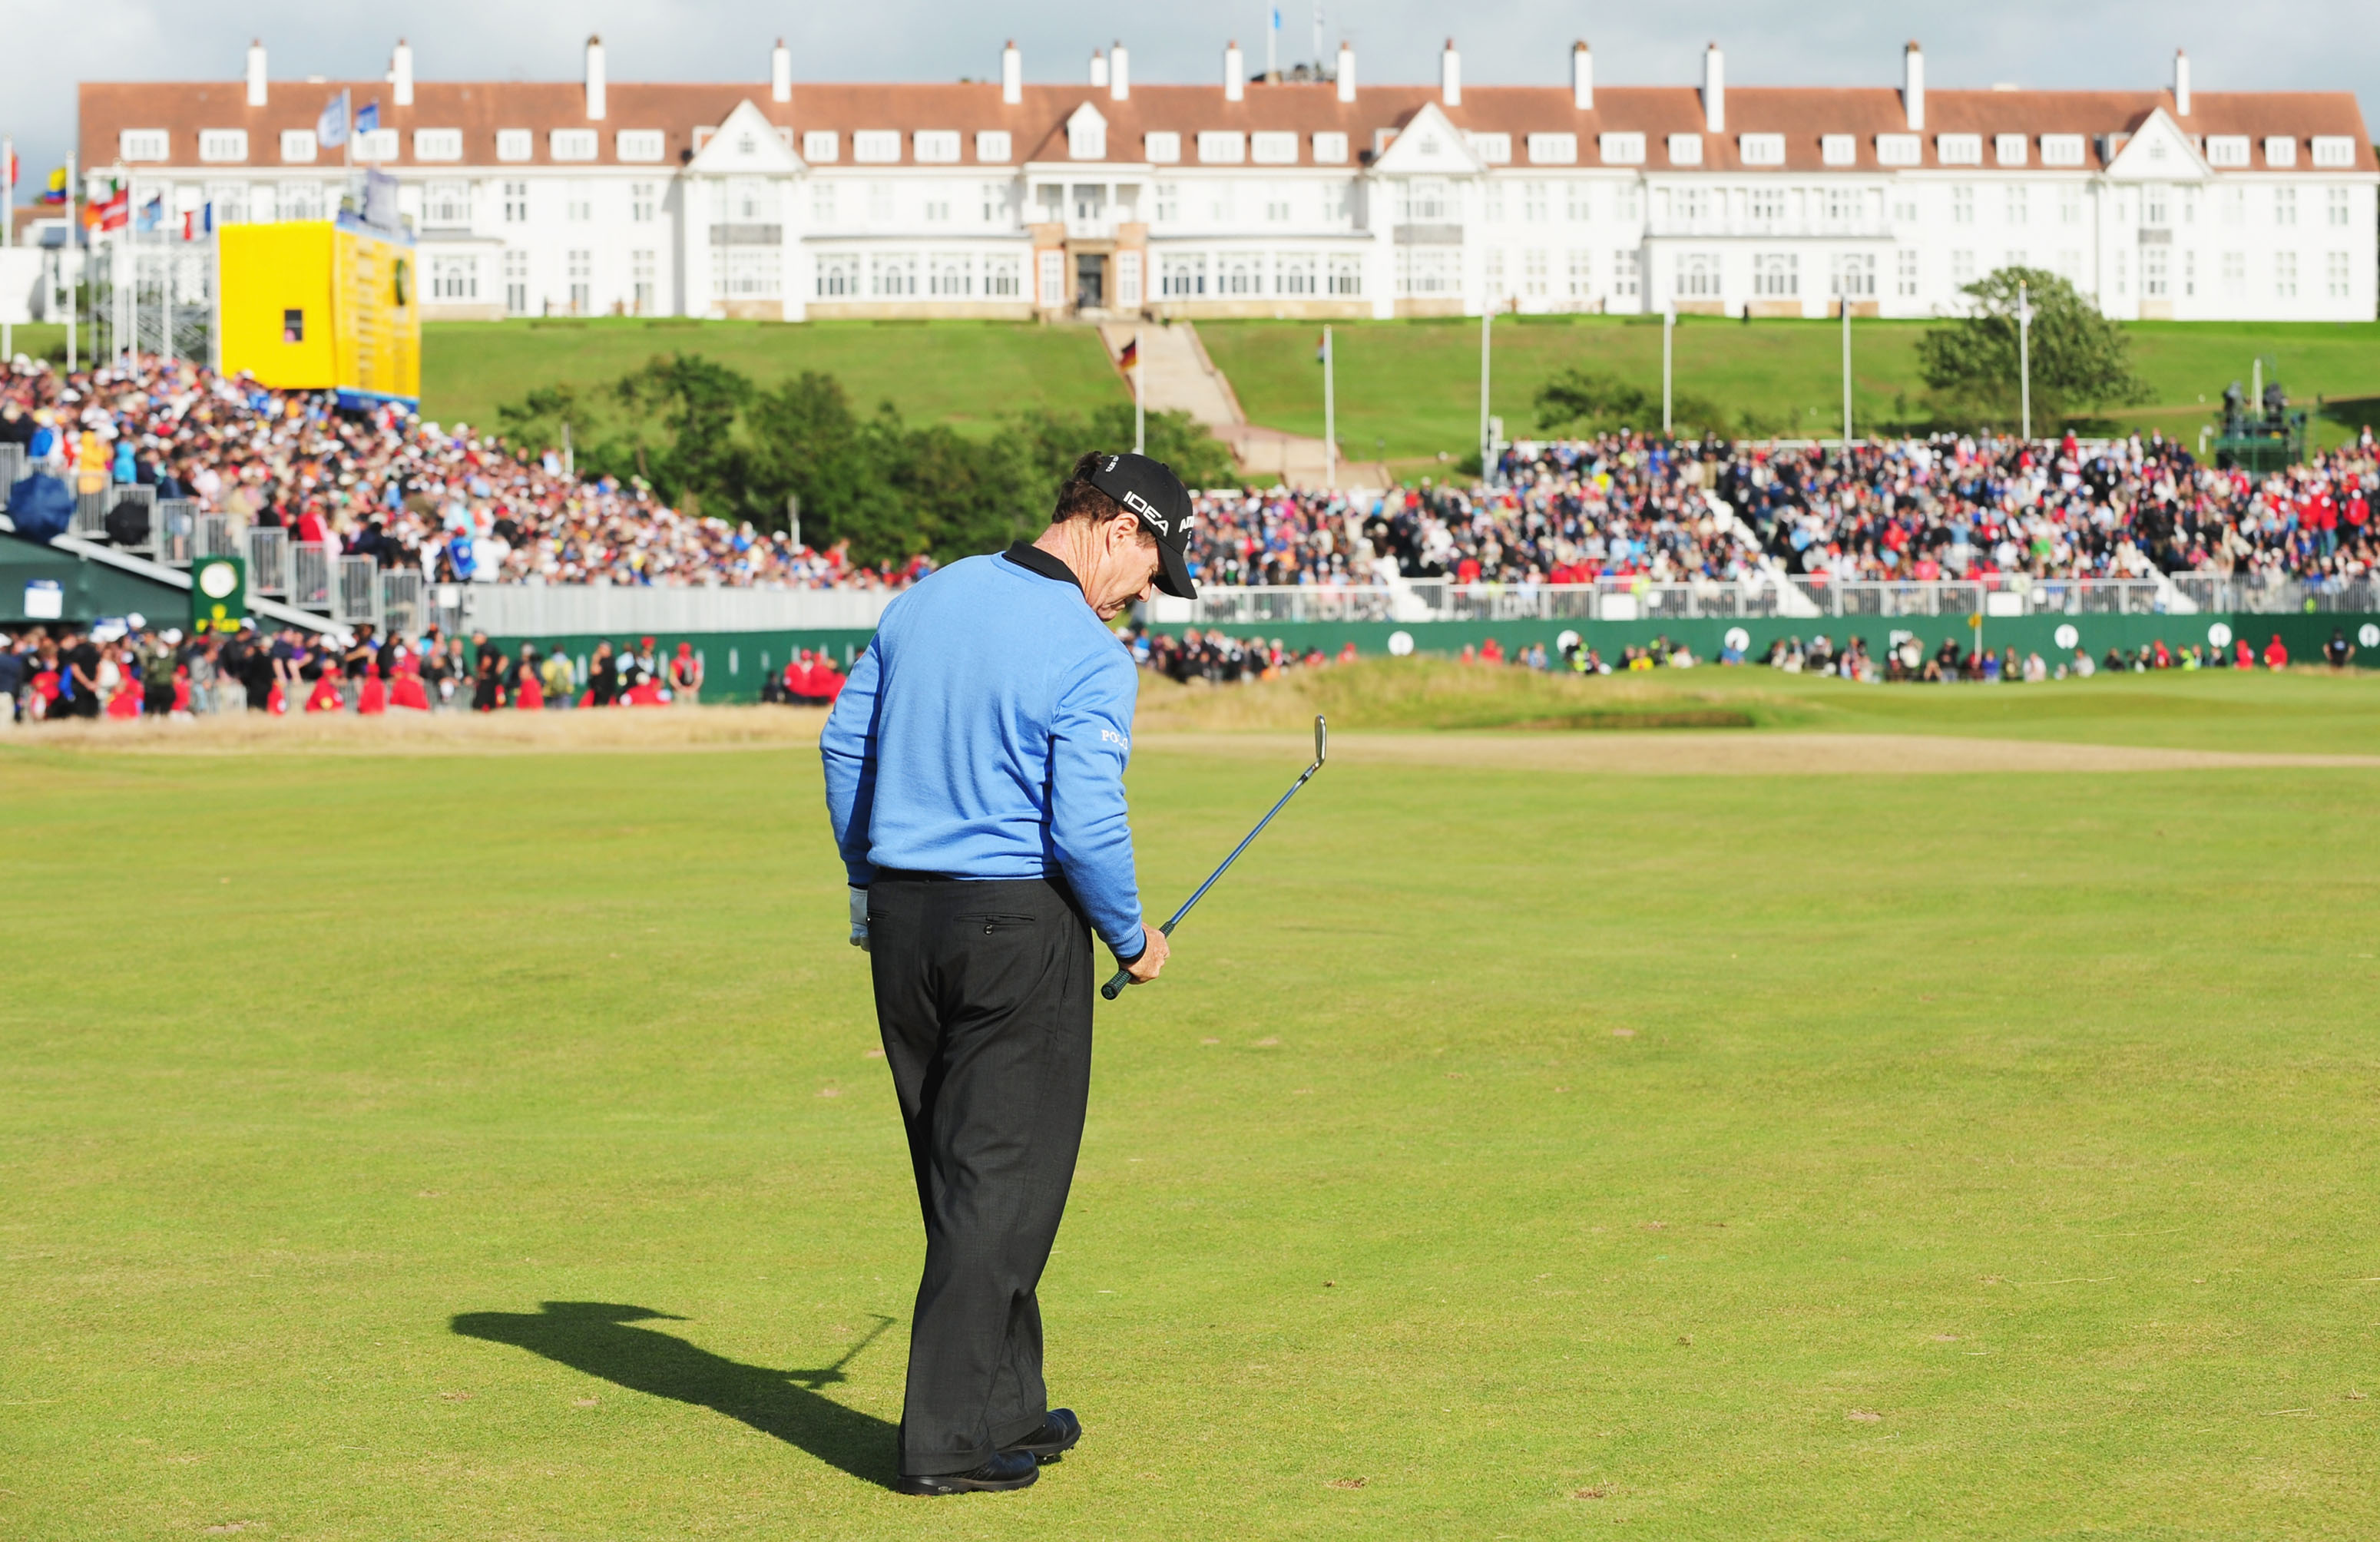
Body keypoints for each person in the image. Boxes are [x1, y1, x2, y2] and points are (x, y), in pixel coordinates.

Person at [820, 451, 1193, 1496]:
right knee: (1000, 1183)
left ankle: (1005, 1405)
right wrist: (1132, 934)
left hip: (902, 917)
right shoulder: (1086, 650)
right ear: (1119, 528)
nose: (1145, 597)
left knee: (969, 1175)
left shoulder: (925, 599)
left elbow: (845, 748)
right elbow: (1083, 824)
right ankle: (945, 1445)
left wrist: (868, 881)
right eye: (1153, 568)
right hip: (1014, 924)